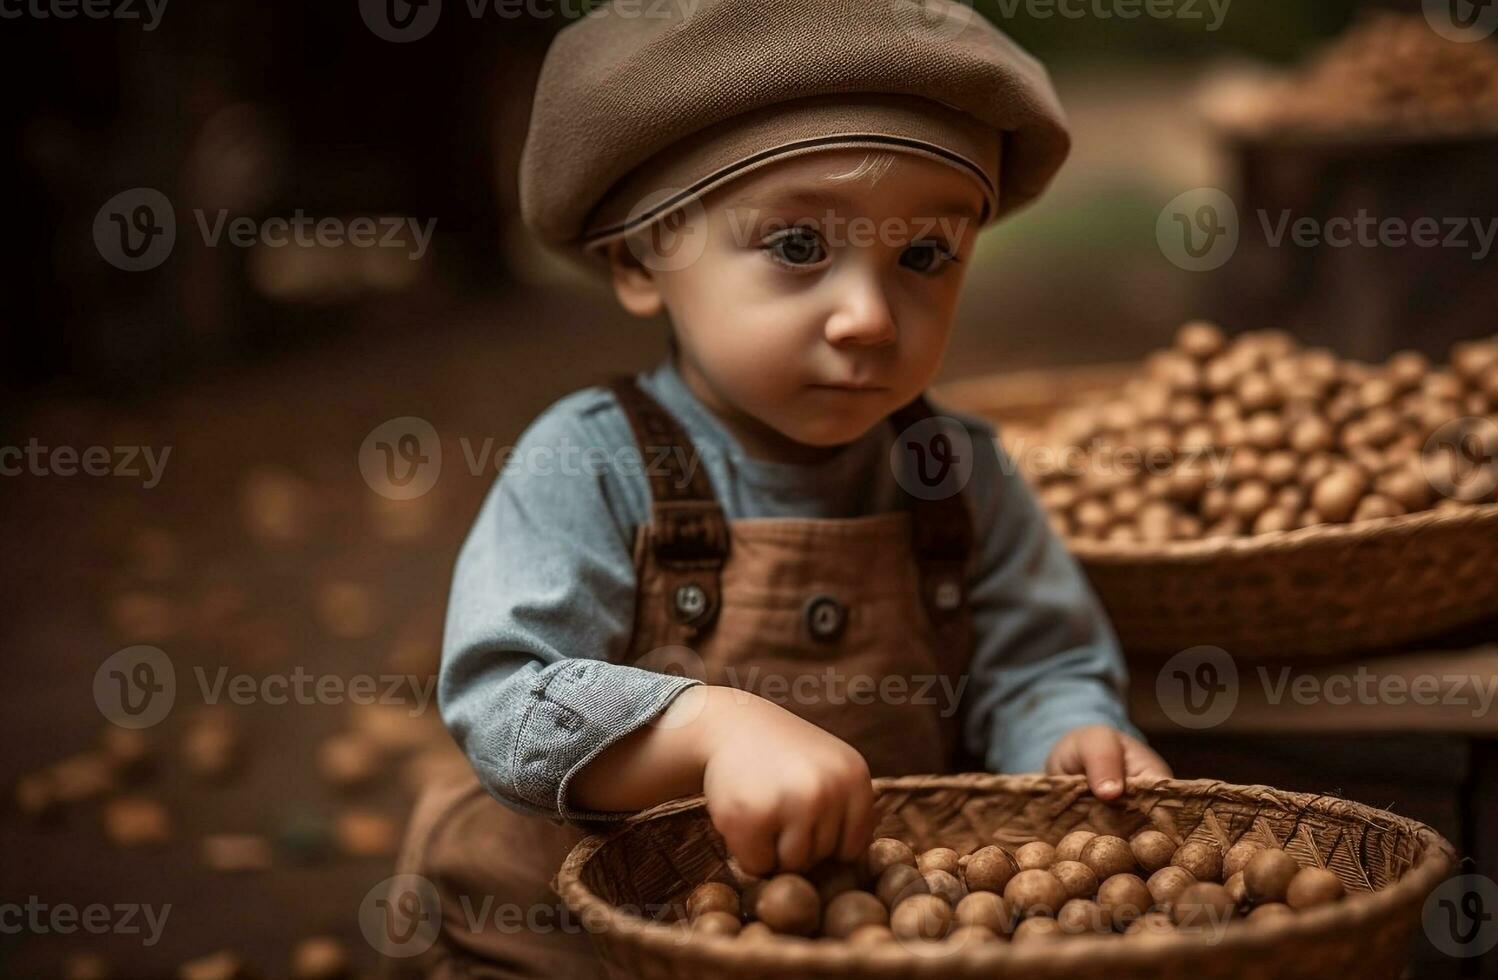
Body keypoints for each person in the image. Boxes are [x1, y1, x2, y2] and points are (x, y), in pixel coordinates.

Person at [391, 1, 1169, 975]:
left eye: (923, 255)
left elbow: (1034, 660)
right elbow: (504, 696)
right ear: (640, 257)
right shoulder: (586, 463)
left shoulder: (956, 473)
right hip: (589, 933)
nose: (868, 317)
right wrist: (709, 727)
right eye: (799, 247)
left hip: (871, 925)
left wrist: (1065, 731)